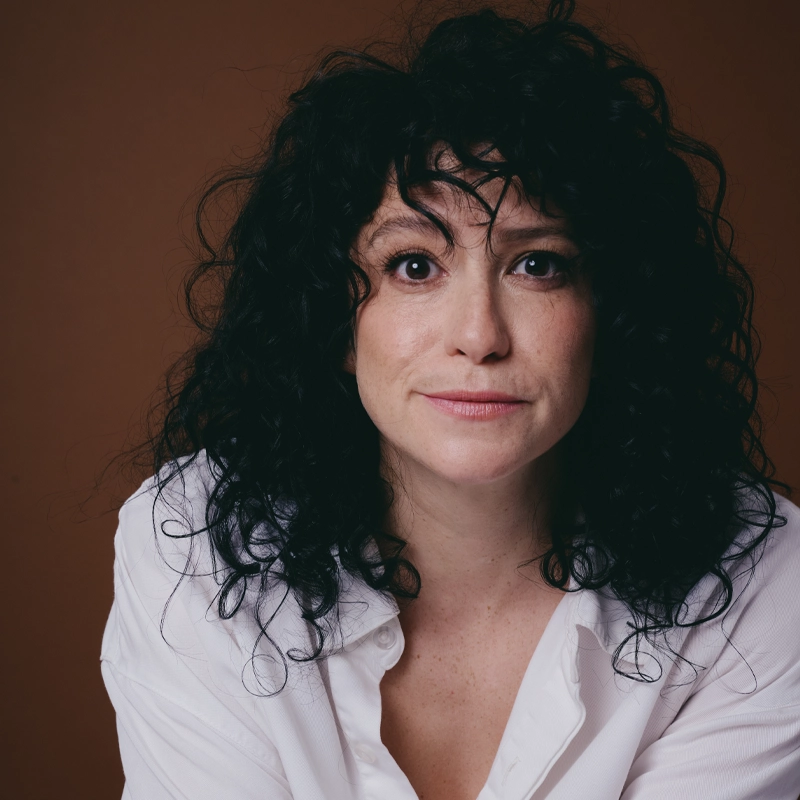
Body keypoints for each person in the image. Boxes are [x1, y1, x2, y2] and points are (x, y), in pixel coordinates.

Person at [100, 1, 800, 797]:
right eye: (413, 265)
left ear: (614, 312)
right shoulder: (191, 544)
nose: (479, 335)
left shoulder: (765, 580)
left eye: (538, 265)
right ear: (333, 318)